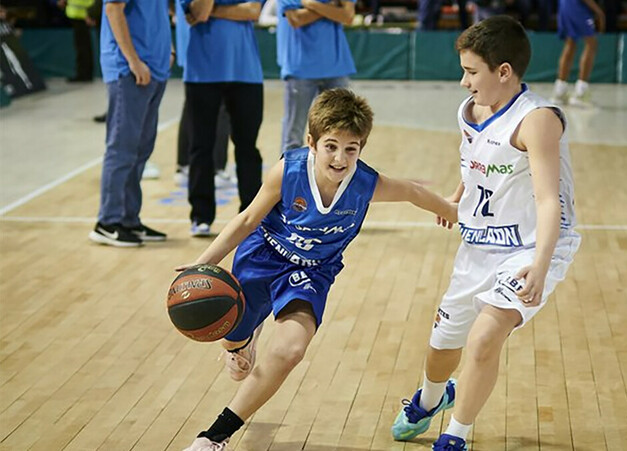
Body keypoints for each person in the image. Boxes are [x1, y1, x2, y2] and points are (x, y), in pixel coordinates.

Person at [179, 89, 458, 451]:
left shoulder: (364, 184)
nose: (340, 158)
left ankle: (214, 436)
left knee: (292, 349)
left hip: (312, 272)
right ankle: (241, 342)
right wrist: (205, 263)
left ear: (361, 148)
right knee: (233, 335)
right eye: (331, 146)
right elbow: (248, 219)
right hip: (263, 257)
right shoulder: (289, 170)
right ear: (311, 142)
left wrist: (454, 214)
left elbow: (411, 191)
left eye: (351, 148)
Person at [391, 16, 581, 451]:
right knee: (443, 344)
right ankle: (431, 398)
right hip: (479, 242)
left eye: (471, 71)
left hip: (531, 246)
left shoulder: (537, 121)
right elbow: (473, 157)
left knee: (483, 339)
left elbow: (549, 200)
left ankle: (456, 435)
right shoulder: (472, 110)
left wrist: (541, 263)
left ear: (504, 72)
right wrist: (458, 198)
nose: (463, 82)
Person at [88, 0, 171, 247]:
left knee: (141, 148)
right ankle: (108, 222)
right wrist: (133, 60)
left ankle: (128, 219)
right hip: (129, 69)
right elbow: (113, 9)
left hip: (154, 67)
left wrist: (169, 48)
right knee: (122, 148)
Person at [181, 0, 265, 237]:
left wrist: (215, 11)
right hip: (202, 73)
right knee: (201, 146)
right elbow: (198, 12)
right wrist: (229, 11)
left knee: (247, 146)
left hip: (246, 72)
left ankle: (251, 216)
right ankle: (201, 215)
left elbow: (253, 11)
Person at [277, 0, 355, 153]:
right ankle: (289, 176)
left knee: (341, 131)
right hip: (300, 68)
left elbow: (348, 16)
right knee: (294, 133)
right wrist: (332, 7)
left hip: (336, 66)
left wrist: (310, 4)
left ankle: (334, 175)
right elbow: (296, 19)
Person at [173, 8, 235, 189]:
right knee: (222, 105)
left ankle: (184, 166)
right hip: (209, 44)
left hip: (191, 43)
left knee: (192, 104)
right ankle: (217, 168)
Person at [549, 0, 604, 107]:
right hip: (577, 5)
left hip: (564, 4)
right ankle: (581, 92)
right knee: (591, 43)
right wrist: (598, 11)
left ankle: (560, 91)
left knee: (570, 44)